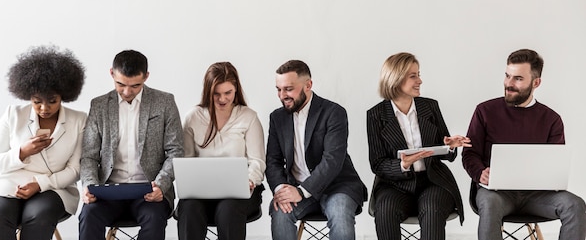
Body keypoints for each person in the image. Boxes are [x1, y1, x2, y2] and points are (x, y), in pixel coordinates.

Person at [462, 49, 586, 240]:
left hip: (537, 196)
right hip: (496, 194)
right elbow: (470, 155)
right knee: (490, 203)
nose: (509, 84)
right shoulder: (485, 111)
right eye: (507, 76)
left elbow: (555, 166)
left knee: (575, 204)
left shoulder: (552, 119)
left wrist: (552, 178)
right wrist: (480, 173)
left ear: (536, 83)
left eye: (518, 78)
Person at [0, 45, 87, 240]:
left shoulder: (79, 120)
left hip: (54, 188)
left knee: (38, 216)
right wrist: (22, 152)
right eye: (37, 101)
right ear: (28, 94)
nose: (44, 108)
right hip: (10, 184)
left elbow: (75, 171)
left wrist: (39, 184)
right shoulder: (13, 115)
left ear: (63, 95)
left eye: (52, 101)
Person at [79, 50, 184, 240]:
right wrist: (89, 185)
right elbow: (89, 155)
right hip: (108, 190)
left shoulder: (165, 102)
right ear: (112, 73)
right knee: (88, 214)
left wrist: (161, 185)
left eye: (135, 85)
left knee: (154, 219)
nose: (127, 92)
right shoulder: (99, 105)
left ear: (146, 77)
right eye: (120, 84)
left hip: (149, 190)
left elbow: (175, 151)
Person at [366, 52, 470, 240]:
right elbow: (377, 163)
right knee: (385, 211)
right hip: (394, 185)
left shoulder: (429, 107)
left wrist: (450, 146)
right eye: (413, 76)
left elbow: (446, 155)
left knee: (432, 210)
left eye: (418, 74)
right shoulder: (376, 115)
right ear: (395, 79)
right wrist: (403, 165)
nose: (420, 81)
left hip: (432, 181)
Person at [266, 60, 367, 240]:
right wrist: (281, 189)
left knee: (340, 213)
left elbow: (333, 160)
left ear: (308, 85)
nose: (282, 96)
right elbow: (273, 160)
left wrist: (302, 191)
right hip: (296, 187)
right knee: (280, 211)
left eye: (288, 89)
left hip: (337, 186)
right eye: (278, 89)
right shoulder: (277, 118)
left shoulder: (334, 112)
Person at [178, 61, 266, 240]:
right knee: (188, 208)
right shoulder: (193, 117)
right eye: (216, 94)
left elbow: (257, 161)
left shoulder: (248, 117)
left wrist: (249, 180)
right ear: (208, 92)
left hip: (239, 193)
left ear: (236, 90)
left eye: (228, 93)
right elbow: (186, 161)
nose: (222, 99)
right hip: (201, 192)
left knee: (229, 210)